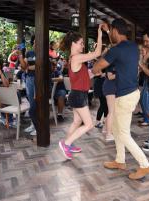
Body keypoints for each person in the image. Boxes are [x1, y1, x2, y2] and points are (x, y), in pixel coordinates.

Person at [92, 19, 149, 180]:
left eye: (111, 31)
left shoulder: (116, 50)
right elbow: (117, 45)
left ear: (115, 31)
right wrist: (107, 31)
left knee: (123, 133)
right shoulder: (133, 46)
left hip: (125, 96)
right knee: (118, 130)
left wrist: (96, 68)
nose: (110, 33)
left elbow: (96, 67)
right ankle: (120, 160)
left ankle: (144, 165)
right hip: (131, 93)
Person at [58, 25, 103, 160]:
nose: (83, 45)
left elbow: (81, 77)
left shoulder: (75, 58)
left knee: (77, 122)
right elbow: (97, 53)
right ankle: (66, 143)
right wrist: (99, 34)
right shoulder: (76, 57)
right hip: (78, 95)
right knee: (89, 124)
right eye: (81, 43)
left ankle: (67, 144)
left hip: (77, 94)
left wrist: (93, 74)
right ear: (73, 43)